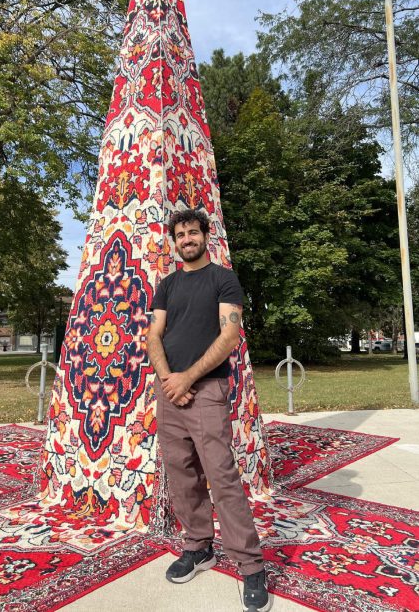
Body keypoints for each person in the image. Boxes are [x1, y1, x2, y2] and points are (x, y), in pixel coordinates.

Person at [147, 208, 269, 612]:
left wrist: (188, 379)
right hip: (170, 395)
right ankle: (198, 547)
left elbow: (230, 333)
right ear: (175, 241)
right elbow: (154, 335)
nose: (187, 239)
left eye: (193, 232)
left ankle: (251, 565)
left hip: (208, 391)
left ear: (205, 235)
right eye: (180, 234)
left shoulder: (223, 279)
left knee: (221, 475)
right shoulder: (165, 286)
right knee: (182, 476)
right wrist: (170, 380)